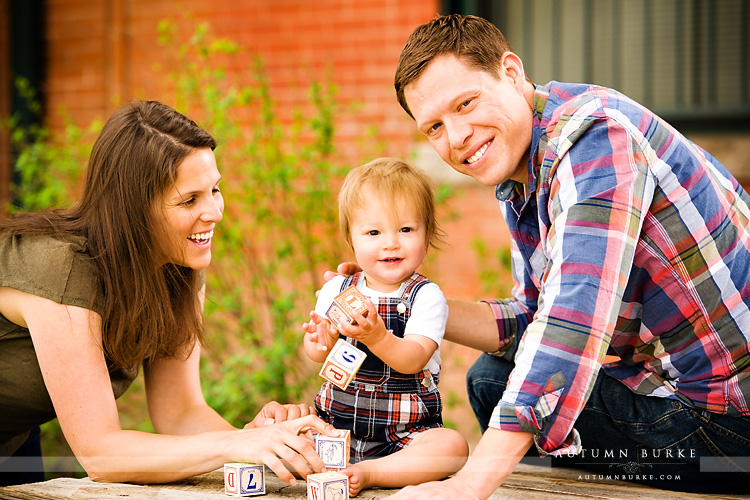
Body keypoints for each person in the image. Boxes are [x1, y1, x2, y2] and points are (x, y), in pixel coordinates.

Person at [350, 13, 750, 499]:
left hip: (731, 420)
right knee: (491, 378)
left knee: (501, 387)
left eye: (466, 103)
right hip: (679, 393)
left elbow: (570, 322)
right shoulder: (523, 168)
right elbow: (531, 318)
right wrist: (404, 299)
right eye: (434, 126)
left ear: (512, 73)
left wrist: (469, 485)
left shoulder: (595, 138)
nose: (456, 138)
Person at [0, 100, 335, 486]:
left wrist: (258, 441)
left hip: (14, 439)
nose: (214, 212)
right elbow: (100, 453)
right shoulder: (63, 267)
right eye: (189, 199)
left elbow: (180, 413)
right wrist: (235, 445)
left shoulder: (178, 264)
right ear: (134, 211)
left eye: (215, 189)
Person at [302, 158, 468, 496]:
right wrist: (321, 340)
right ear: (351, 238)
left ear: (427, 233)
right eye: (374, 232)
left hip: (406, 436)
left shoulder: (426, 296)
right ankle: (338, 463)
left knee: (452, 447)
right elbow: (316, 353)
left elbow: (413, 359)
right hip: (338, 426)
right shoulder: (339, 289)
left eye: (406, 229)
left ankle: (371, 472)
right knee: (292, 429)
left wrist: (377, 336)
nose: (390, 243)